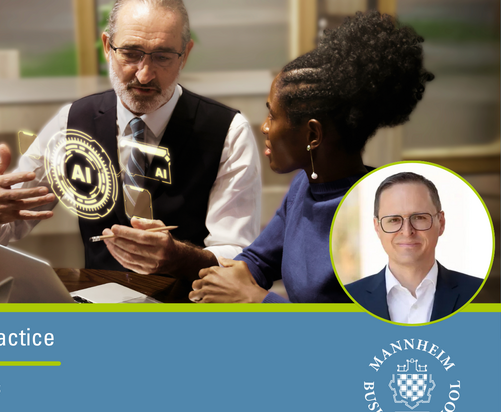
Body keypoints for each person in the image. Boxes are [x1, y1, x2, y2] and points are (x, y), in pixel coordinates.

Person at [0, 0, 262, 279]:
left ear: (185, 55)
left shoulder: (228, 132)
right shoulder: (72, 122)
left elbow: (236, 253)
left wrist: (179, 258)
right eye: (130, 53)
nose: (144, 75)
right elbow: (7, 223)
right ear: (107, 46)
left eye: (162, 57)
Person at [190, 11, 434, 303]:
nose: (264, 127)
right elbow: (258, 261)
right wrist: (208, 271)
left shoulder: (380, 215)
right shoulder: (303, 186)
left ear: (312, 135)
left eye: (272, 115)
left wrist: (257, 299)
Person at [345, 172, 483, 322]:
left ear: (441, 223)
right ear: (377, 227)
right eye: (394, 220)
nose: (407, 231)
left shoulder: (483, 294)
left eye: (419, 218)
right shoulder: (344, 300)